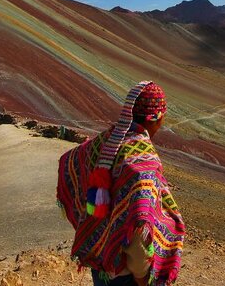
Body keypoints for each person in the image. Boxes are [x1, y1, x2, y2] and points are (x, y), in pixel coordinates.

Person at [57, 81, 185, 286]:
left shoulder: (106, 141)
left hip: (100, 260)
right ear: (157, 119)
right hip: (125, 274)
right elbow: (139, 229)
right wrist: (142, 277)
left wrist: (93, 226)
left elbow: (69, 162)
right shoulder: (144, 164)